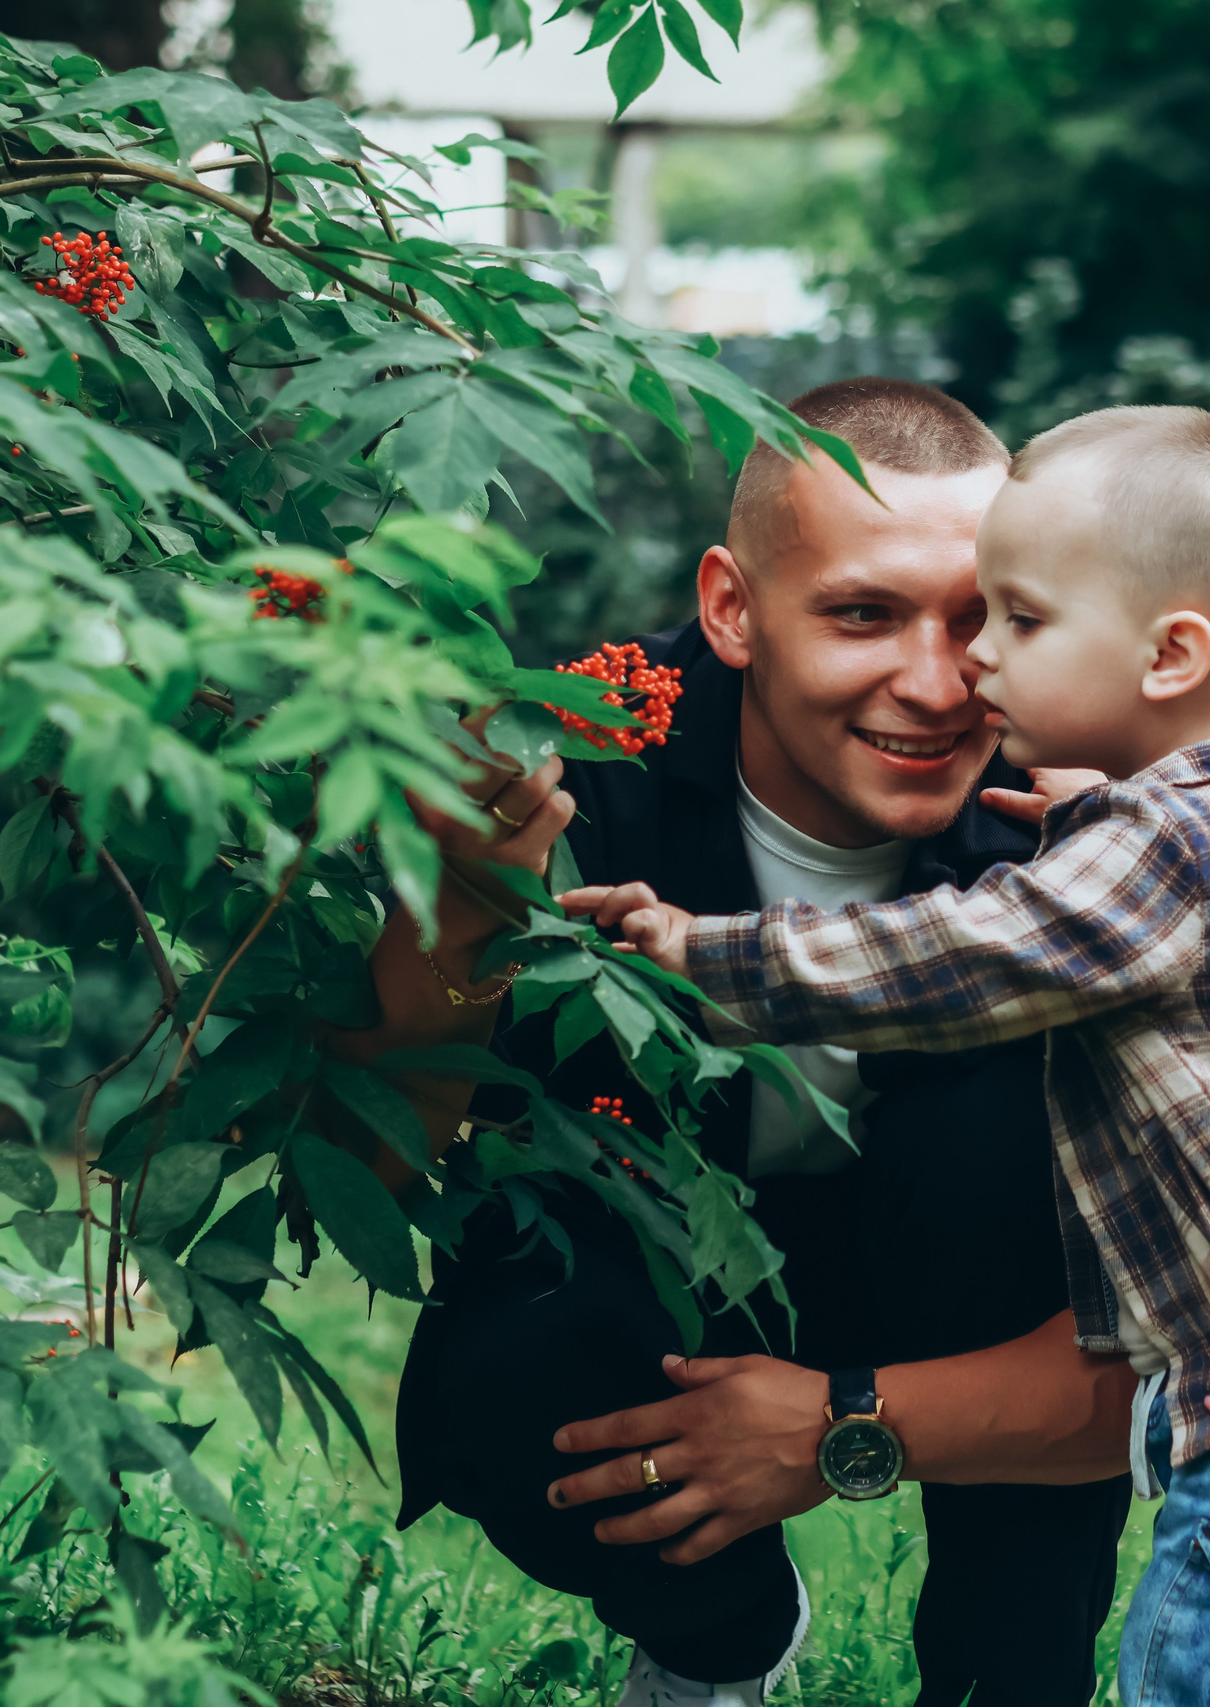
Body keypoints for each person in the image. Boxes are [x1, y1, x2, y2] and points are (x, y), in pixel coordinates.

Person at [559, 404, 1210, 1707]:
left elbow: (951, 962)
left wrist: (700, 954)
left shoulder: (1156, 851)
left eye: (1015, 622)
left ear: (1170, 652)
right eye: (884, 617)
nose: (968, 671)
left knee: (1202, 1668)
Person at [337, 379, 1136, 1707]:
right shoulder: (564, 749)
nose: (937, 685)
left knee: (1009, 1161)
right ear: (731, 607)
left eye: (982, 619)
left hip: (964, 1276)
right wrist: (462, 904)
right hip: (651, 1264)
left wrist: (839, 1429)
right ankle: (722, 1641)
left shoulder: (1090, 818)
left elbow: (1167, 1350)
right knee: (516, 1362)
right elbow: (367, 1166)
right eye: (864, 614)